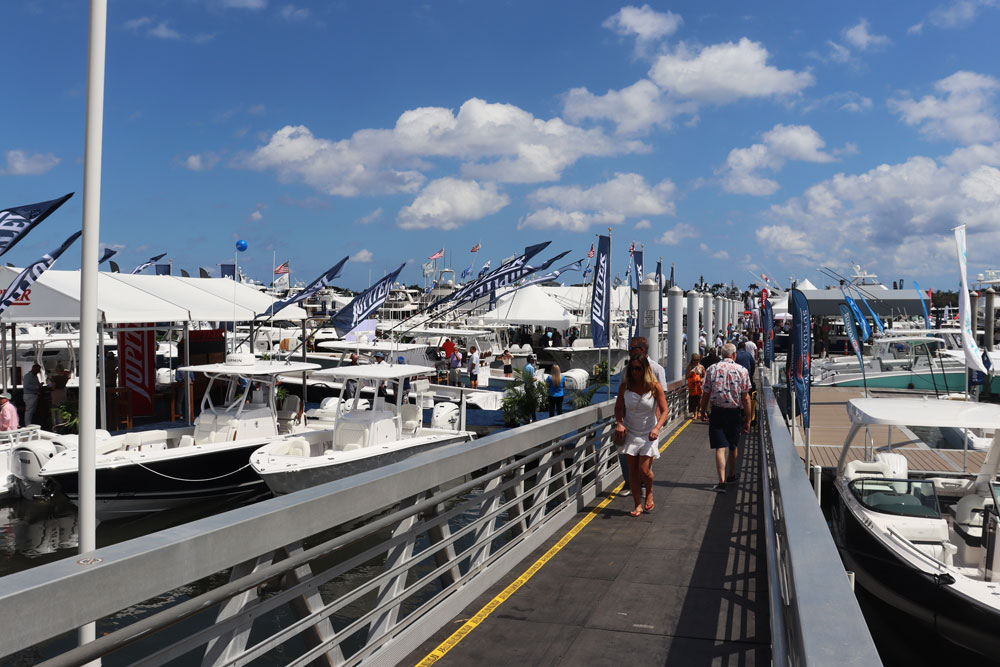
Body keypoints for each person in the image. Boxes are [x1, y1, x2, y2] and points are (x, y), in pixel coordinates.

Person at [613, 355, 669, 516]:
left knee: (644, 470)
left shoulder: (654, 386)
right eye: (632, 368)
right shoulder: (625, 386)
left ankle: (649, 491)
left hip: (649, 432)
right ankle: (637, 504)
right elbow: (618, 408)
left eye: (638, 368)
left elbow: (664, 410)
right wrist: (620, 423)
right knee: (632, 472)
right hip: (631, 431)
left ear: (645, 369)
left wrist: (658, 427)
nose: (635, 372)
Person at [699, 343, 751, 493]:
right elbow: (746, 398)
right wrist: (748, 419)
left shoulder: (712, 369)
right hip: (734, 413)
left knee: (720, 448)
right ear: (734, 355)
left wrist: (702, 412)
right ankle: (731, 475)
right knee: (733, 446)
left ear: (722, 354)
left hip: (717, 412)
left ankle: (721, 482)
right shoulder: (742, 370)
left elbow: (706, 394)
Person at [685, 354, 705, 420]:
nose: (696, 361)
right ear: (692, 360)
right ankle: (695, 413)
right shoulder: (689, 367)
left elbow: (704, 376)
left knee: (699, 400)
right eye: (694, 360)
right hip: (692, 386)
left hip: (699, 386)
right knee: (693, 400)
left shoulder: (701, 367)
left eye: (697, 360)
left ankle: (699, 411)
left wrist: (702, 379)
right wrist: (691, 373)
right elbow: (686, 377)